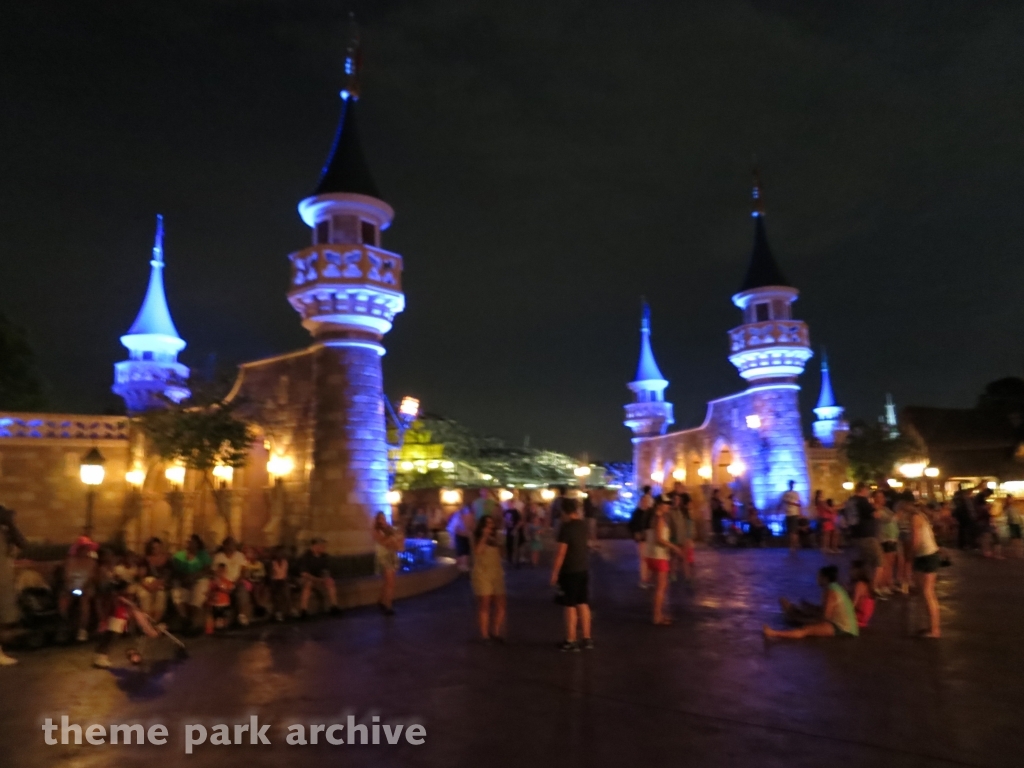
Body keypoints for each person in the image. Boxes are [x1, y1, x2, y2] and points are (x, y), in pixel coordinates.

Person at [763, 565, 859, 640]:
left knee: (805, 629)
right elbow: (826, 610)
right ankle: (791, 613)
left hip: (844, 629)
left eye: (819, 576)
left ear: (825, 578)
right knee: (802, 616)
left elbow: (826, 617)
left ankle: (774, 633)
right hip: (845, 626)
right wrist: (809, 608)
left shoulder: (830, 591)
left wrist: (805, 617)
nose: (817, 579)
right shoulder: (835, 587)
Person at [550, 499, 593, 651]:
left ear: (564, 512)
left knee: (569, 605)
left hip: (569, 570)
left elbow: (561, 552)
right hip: (583, 569)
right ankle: (587, 638)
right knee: (583, 603)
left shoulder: (566, 528)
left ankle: (571, 639)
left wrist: (555, 573)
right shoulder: (583, 525)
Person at [645, 496, 686, 626]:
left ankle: (658, 614)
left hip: (652, 554)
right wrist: (674, 547)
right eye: (666, 504)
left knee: (659, 587)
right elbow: (659, 538)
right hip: (659, 556)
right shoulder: (659, 519)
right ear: (659, 505)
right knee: (661, 587)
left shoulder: (652, 518)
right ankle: (657, 616)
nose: (668, 505)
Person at [470, 515, 506, 642]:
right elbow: (478, 551)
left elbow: (502, 554)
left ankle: (495, 632)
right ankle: (485, 635)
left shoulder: (495, 538)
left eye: (491, 523)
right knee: (485, 604)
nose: (490, 526)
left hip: (496, 573)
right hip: (482, 574)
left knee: (501, 605)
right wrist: (485, 536)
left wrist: (499, 543)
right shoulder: (477, 538)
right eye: (487, 523)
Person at [0, 506, 26, 666]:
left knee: (2, 614)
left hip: (3, 574)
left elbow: (22, 543)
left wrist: (10, 524)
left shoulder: (5, 531)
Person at [910, 504, 941, 638]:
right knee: (925, 592)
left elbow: (916, 541)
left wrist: (910, 556)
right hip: (929, 554)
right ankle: (928, 626)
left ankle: (934, 629)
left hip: (925, 556)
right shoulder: (922, 516)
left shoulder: (915, 517)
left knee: (927, 592)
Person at [171, 534, 212, 632]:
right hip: (184, 580)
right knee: (177, 593)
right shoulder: (179, 556)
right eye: (188, 542)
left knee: (198, 598)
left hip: (199, 580)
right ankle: (184, 619)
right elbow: (175, 571)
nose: (190, 544)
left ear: (197, 544)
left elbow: (207, 570)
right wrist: (185, 579)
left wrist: (194, 577)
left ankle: (195, 624)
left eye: (192, 542)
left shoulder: (203, 555)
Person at [846, 483, 881, 592]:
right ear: (863, 489)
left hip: (854, 534)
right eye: (867, 489)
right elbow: (875, 515)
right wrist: (875, 506)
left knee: (861, 562)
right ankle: (873, 587)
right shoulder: (863, 501)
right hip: (866, 535)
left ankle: (858, 586)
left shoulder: (850, 501)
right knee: (879, 561)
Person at [297, 538, 341, 617]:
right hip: (309, 578)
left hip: (319, 578)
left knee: (330, 582)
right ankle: (303, 610)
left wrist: (325, 577)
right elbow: (304, 574)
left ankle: (334, 606)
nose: (323, 548)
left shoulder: (324, 556)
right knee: (308, 585)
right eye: (321, 546)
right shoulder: (306, 556)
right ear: (315, 546)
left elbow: (326, 570)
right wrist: (317, 579)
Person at [212, 537, 251, 626]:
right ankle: (219, 618)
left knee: (242, 591)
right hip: (222, 582)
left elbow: (243, 571)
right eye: (228, 544)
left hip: (236, 582)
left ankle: (242, 615)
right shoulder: (219, 557)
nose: (231, 547)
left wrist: (234, 583)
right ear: (224, 545)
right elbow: (215, 572)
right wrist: (222, 584)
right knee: (219, 594)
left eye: (233, 544)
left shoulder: (240, 556)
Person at [373, 512, 401, 615]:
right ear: (377, 520)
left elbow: (397, 542)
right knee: (390, 583)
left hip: (391, 556)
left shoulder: (389, 529)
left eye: (384, 518)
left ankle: (381, 601)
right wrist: (392, 538)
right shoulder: (376, 531)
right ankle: (388, 606)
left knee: (388, 582)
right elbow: (383, 542)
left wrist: (396, 540)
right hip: (383, 557)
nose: (383, 520)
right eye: (380, 518)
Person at [628, 488, 654, 587]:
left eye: (646, 501)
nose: (645, 503)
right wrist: (636, 533)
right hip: (643, 538)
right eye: (643, 501)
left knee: (650, 559)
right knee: (644, 559)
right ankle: (644, 579)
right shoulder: (637, 512)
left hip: (650, 538)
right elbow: (632, 525)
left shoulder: (650, 513)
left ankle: (648, 578)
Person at [875, 492, 898, 597]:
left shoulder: (885, 509)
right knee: (885, 564)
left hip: (892, 538)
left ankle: (888, 583)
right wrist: (897, 515)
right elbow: (889, 518)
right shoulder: (876, 509)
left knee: (890, 563)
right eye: (880, 497)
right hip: (884, 538)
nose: (883, 499)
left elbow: (893, 517)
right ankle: (883, 585)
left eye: (883, 497)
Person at [849, 560, 875, 629]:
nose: (850, 571)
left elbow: (854, 602)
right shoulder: (867, 584)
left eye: (852, 569)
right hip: (865, 617)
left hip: (860, 615)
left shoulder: (859, 584)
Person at [269, 546, 293, 621]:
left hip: (283, 581)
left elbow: (286, 574)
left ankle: (288, 612)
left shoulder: (285, 562)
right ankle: (277, 613)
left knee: (286, 594)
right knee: (277, 596)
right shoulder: (272, 563)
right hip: (275, 581)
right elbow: (271, 575)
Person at [448, 504, 474, 573]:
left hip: (462, 536)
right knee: (462, 552)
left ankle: (462, 566)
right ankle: (462, 567)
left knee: (463, 552)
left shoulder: (461, 515)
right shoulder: (459, 516)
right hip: (460, 536)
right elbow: (455, 528)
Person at [779, 480, 802, 553]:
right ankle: (793, 545)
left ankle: (794, 545)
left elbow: (799, 503)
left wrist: (799, 512)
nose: (792, 485)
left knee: (793, 531)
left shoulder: (796, 493)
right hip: (788, 513)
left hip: (794, 513)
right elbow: (783, 502)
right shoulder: (786, 493)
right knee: (791, 531)